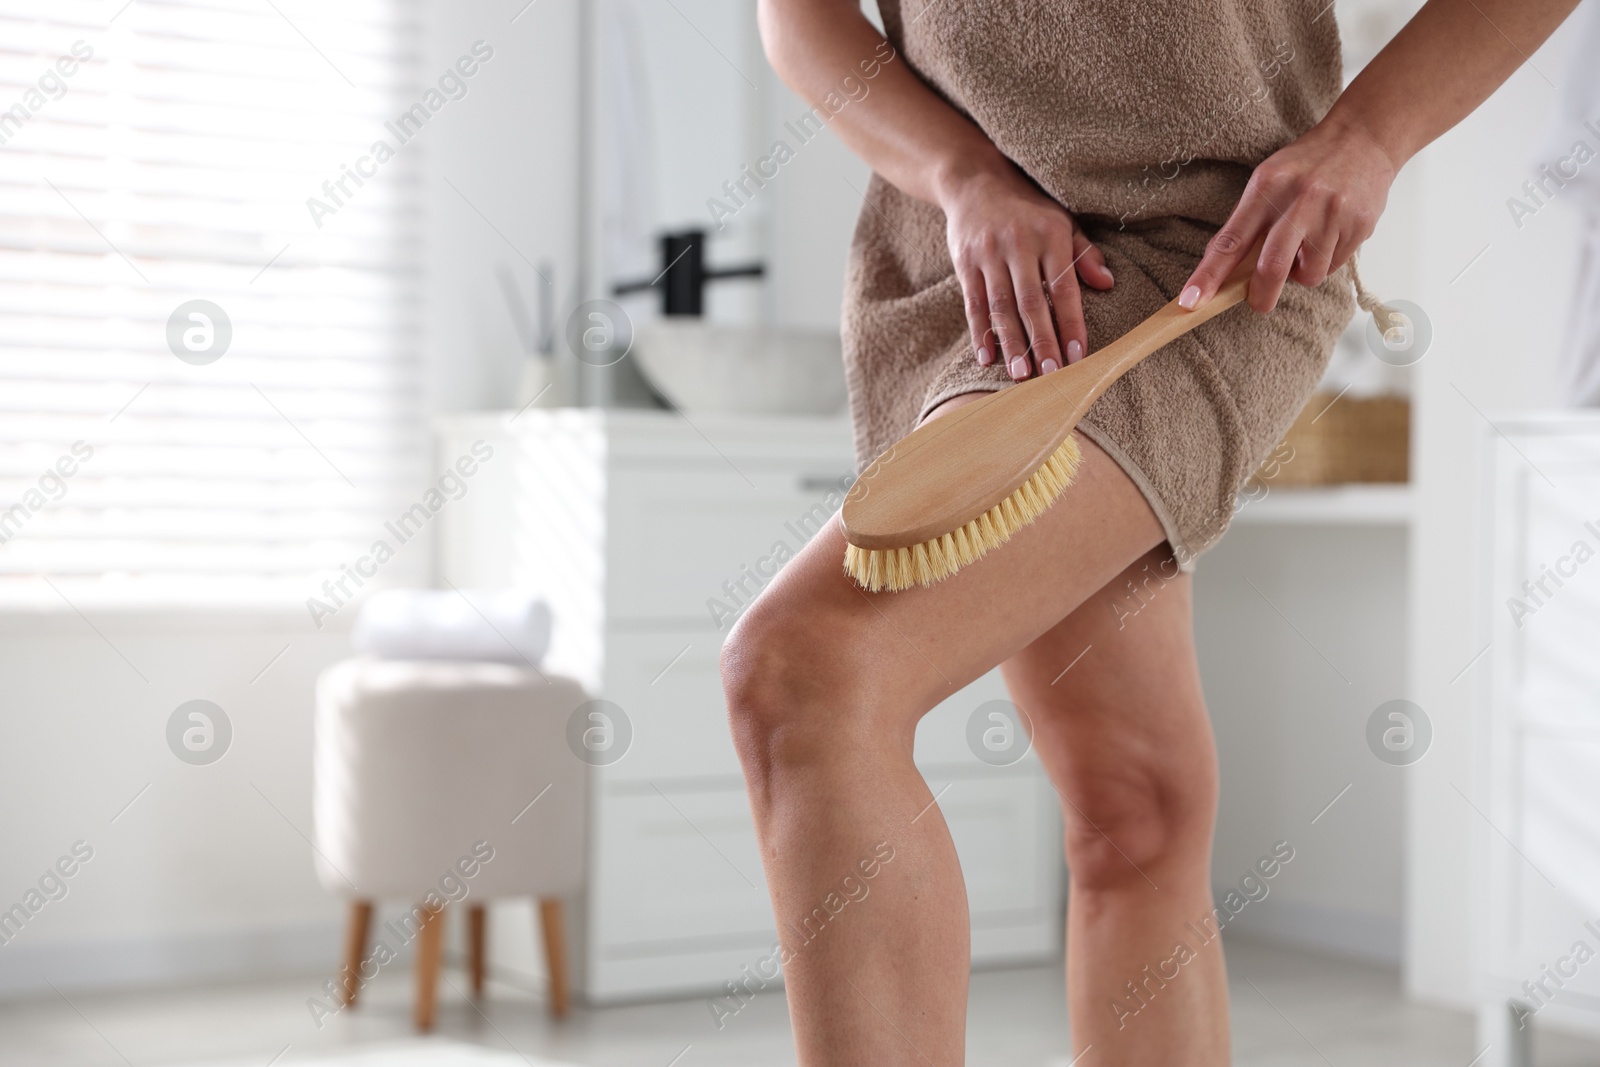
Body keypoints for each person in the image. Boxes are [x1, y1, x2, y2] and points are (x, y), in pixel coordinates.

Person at [720, 1, 1582, 1063]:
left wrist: (1370, 134)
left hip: (1208, 255)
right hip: (967, 261)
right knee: (1135, 806)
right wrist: (963, 179)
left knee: (801, 667)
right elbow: (797, 16)